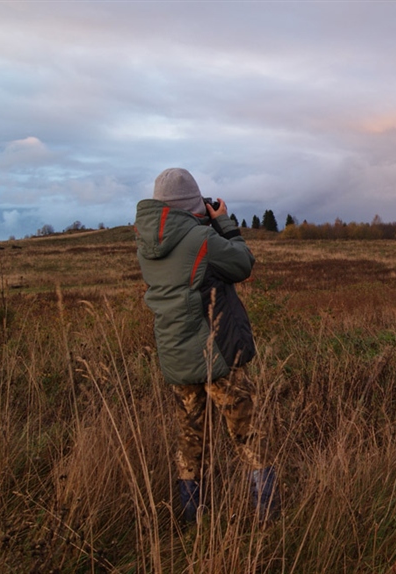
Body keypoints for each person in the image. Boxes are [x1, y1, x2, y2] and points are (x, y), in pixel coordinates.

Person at [134, 167, 279, 524]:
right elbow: (242, 263)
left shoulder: (146, 244)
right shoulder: (201, 239)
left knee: (189, 435)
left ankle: (192, 514)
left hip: (175, 355)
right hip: (215, 354)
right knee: (248, 433)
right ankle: (268, 515)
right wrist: (223, 222)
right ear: (191, 205)